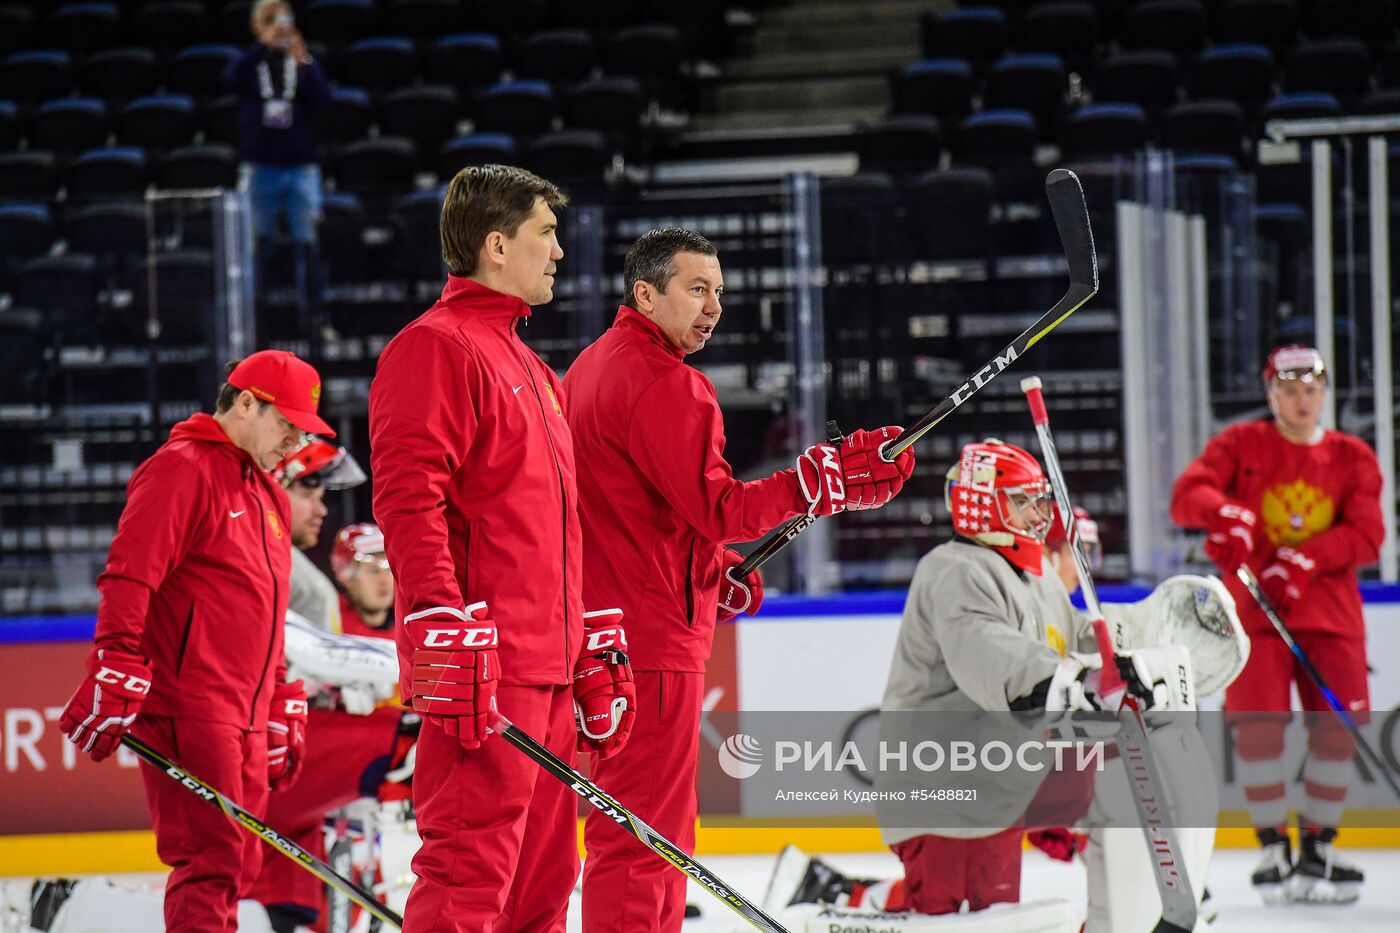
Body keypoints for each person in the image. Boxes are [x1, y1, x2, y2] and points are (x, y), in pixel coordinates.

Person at [562, 226, 916, 933]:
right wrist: (819, 483)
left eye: (718, 291)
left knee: (643, 835)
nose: (713, 306)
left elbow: (631, 512)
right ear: (646, 292)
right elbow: (722, 508)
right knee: (642, 843)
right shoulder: (666, 382)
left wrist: (707, 570)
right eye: (696, 289)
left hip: (606, 632)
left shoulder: (589, 367)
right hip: (651, 646)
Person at [765, 442, 1235, 932]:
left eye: (1039, 499)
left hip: (1009, 772)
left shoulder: (1039, 578)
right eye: (1022, 500)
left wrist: (1148, 637)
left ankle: (1121, 922)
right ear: (983, 503)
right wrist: (1072, 681)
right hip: (950, 784)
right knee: (970, 921)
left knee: (1128, 773)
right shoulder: (954, 570)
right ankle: (835, 914)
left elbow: (1078, 637)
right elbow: (991, 658)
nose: (1039, 513)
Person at [369, 164, 635, 930]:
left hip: (545, 671)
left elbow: (555, 532)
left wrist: (580, 643)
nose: (559, 251)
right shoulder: (434, 348)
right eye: (545, 233)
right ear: (495, 245)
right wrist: (440, 624)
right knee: (467, 879)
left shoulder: (533, 368)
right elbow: (408, 498)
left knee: (543, 891)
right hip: (484, 672)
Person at [56, 350, 332, 931]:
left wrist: (278, 695)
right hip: (192, 704)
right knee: (212, 857)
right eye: (287, 426)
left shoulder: (272, 497)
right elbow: (131, 574)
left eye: (303, 432)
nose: (295, 444)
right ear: (246, 403)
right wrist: (116, 657)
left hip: (247, 711)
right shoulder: (181, 467)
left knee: (238, 859)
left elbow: (268, 612)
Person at [1171, 344, 1383, 905]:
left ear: (1324, 394)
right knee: (1259, 729)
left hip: (1331, 614)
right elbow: (1187, 497)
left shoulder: (1352, 455)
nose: (1301, 401)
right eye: (1288, 391)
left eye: (1311, 390)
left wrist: (1307, 558)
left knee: (1336, 730)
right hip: (1255, 613)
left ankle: (1318, 844)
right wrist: (1225, 514)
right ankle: (1272, 847)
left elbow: (1369, 534)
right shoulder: (1240, 444)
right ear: (1271, 394)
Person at [224, 0, 331, 338]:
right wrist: (264, 46)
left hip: (300, 168)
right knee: (258, 246)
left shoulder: (300, 60)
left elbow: (323, 100)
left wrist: (304, 61)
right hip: (260, 168)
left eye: (282, 20)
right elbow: (231, 80)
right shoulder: (249, 61)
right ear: (257, 26)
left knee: (308, 245)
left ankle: (315, 319)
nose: (279, 27)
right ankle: (258, 323)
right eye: (270, 21)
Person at [273, 438, 368, 633]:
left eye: (320, 499)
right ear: (273, 491)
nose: (322, 511)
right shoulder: (308, 587)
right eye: (308, 496)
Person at [333, 522, 395, 637]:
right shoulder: (328, 618)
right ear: (346, 577)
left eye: (388, 569)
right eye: (373, 571)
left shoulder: (412, 624)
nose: (384, 580)